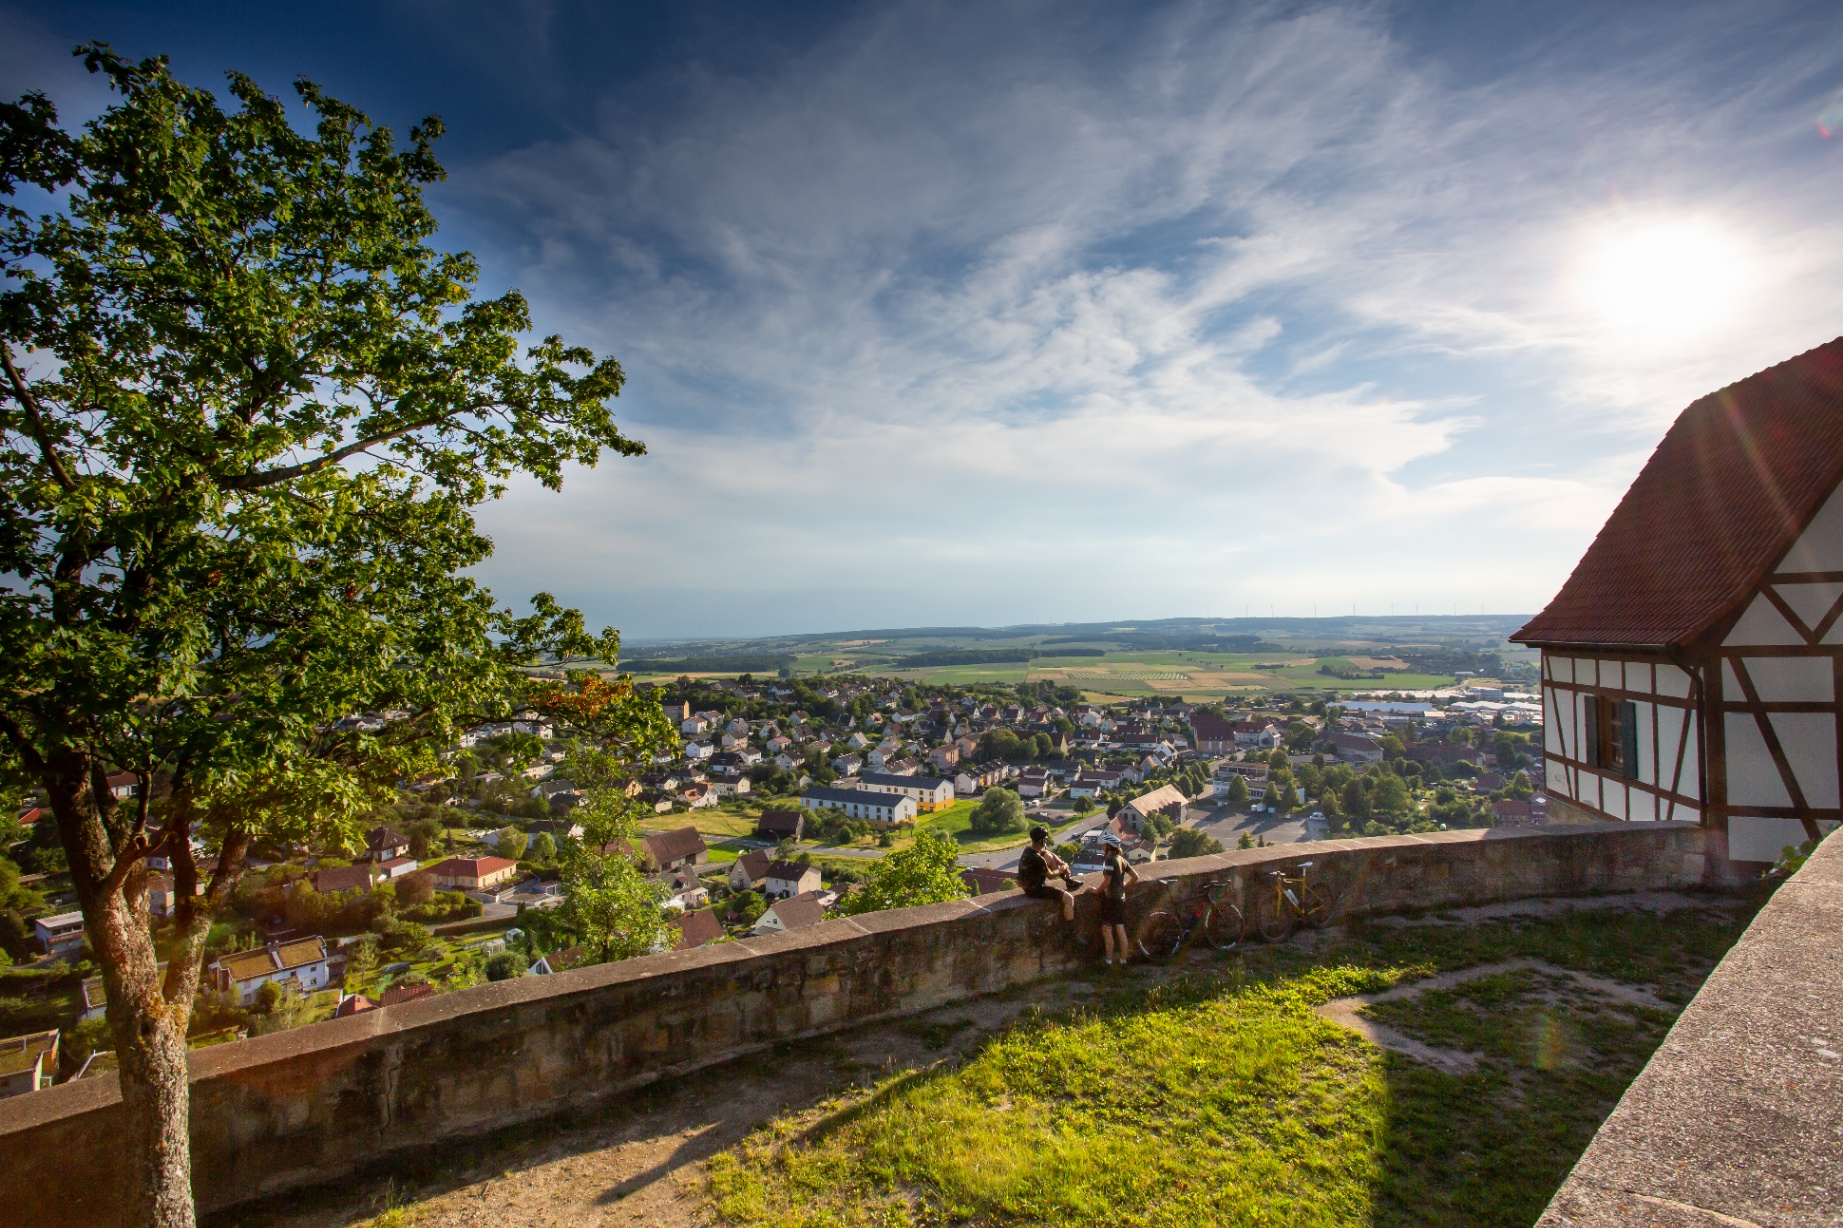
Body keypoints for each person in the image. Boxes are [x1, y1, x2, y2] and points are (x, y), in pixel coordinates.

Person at [1016, 825, 1081, 921]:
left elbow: (1047, 853)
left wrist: (1061, 863)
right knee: (1069, 898)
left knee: (1049, 856)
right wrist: (1063, 868)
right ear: (1040, 840)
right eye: (1045, 839)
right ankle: (1070, 925)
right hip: (1035, 890)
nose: (1046, 841)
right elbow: (1050, 876)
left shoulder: (1028, 850)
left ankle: (1068, 881)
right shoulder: (1037, 859)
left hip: (1028, 886)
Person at [1099, 836, 1139, 968]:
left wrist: (1095, 890)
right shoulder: (1121, 859)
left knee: (1106, 929)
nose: (1102, 847)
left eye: (1104, 845)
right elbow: (1135, 877)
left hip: (1111, 900)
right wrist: (1124, 886)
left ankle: (1108, 961)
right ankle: (1123, 961)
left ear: (1109, 846)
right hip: (1121, 898)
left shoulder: (1110, 860)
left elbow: (1107, 881)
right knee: (1120, 929)